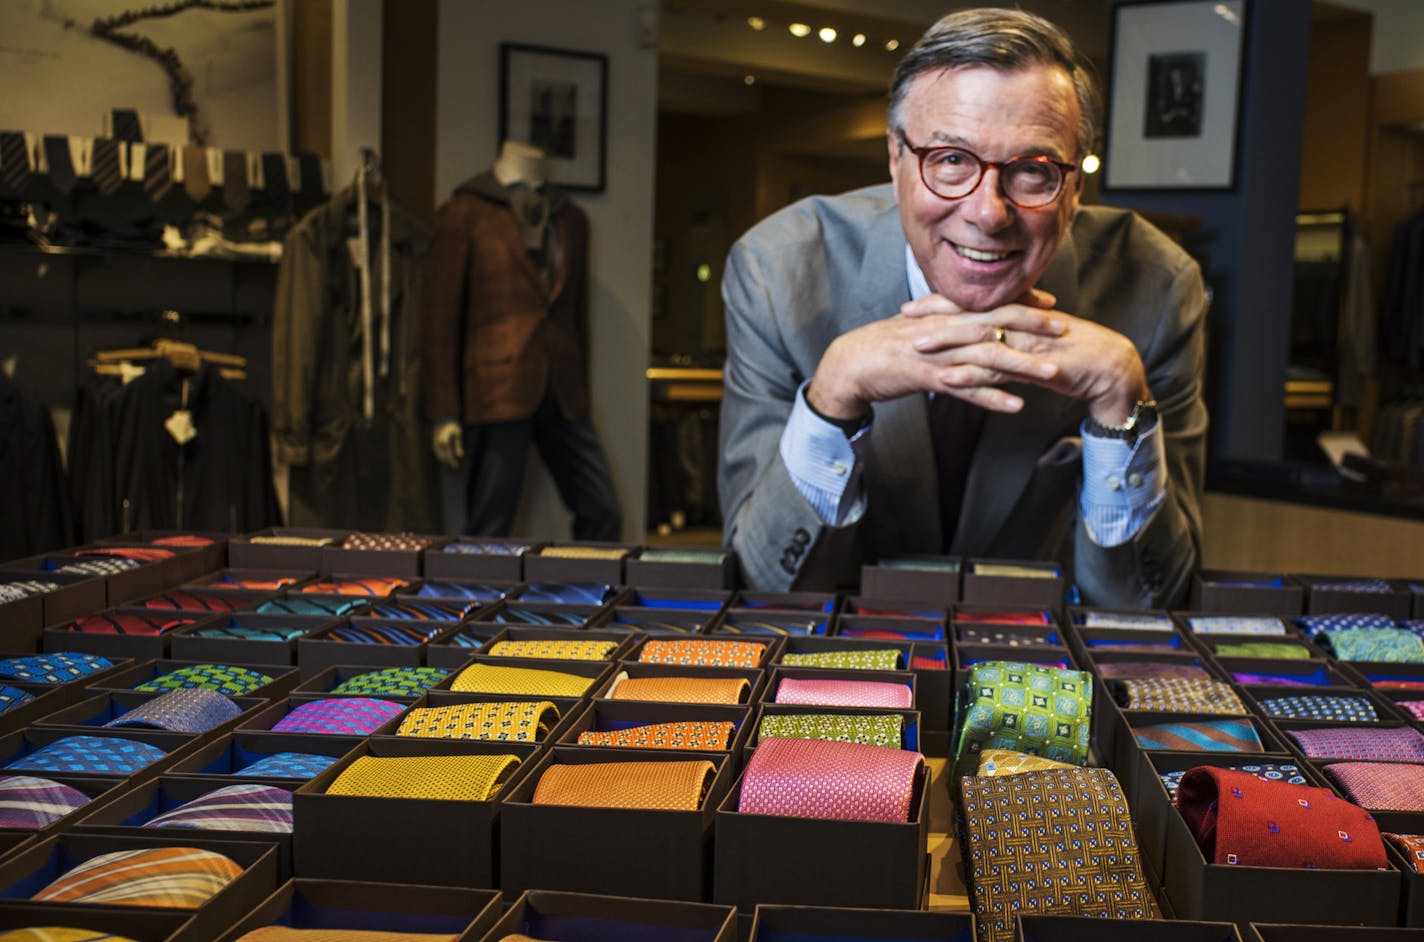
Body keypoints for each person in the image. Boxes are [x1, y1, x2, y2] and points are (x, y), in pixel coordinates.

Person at [718, 8, 1207, 608]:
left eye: (1032, 171)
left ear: (1076, 187)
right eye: (950, 160)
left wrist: (1120, 413)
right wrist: (832, 401)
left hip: (1046, 670)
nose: (987, 213)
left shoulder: (1158, 290)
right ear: (896, 157)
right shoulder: (779, 273)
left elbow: (1156, 607)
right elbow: (764, 590)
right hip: (840, 673)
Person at [422, 139, 622, 540]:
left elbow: (576, 315)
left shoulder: (572, 220)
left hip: (563, 389)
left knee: (602, 511)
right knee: (490, 524)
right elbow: (440, 319)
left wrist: (579, 387)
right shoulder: (464, 213)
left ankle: (587, 597)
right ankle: (477, 601)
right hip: (497, 387)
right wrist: (444, 411)